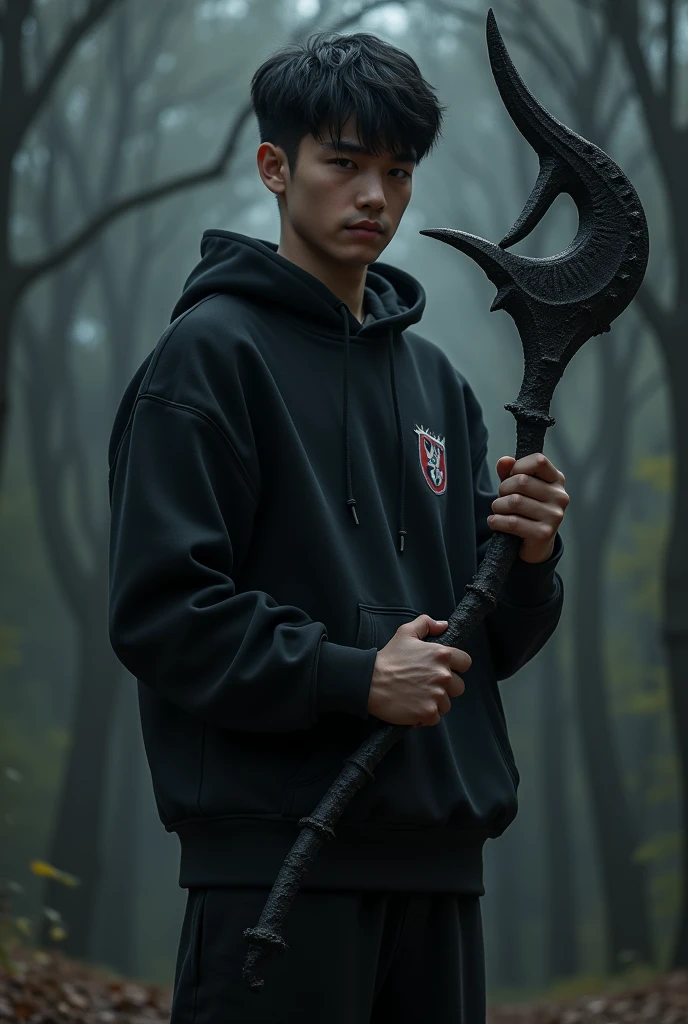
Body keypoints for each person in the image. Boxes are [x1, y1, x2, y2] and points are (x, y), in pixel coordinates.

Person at [107, 29, 568, 1024]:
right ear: (276, 166)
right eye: (344, 163)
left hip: (440, 861)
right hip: (274, 865)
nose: (375, 197)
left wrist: (528, 561)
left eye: (397, 172)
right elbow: (160, 610)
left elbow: (476, 644)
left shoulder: (438, 384)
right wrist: (353, 676)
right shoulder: (208, 359)